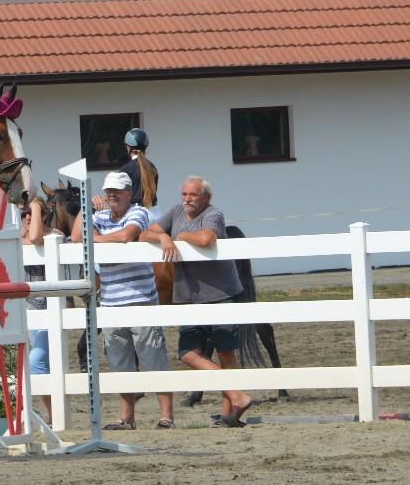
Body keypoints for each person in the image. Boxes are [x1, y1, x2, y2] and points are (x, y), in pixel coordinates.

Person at [142, 177, 253, 427]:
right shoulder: (175, 212)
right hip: (189, 297)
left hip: (220, 293)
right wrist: (164, 238)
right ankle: (237, 395)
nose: (187, 199)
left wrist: (180, 235)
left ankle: (230, 414)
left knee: (226, 353)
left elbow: (206, 239)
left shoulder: (214, 214)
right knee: (188, 354)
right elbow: (145, 233)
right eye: (184, 194)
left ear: (205, 197)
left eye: (192, 194)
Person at [71, 170, 174, 429]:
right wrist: (86, 206)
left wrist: (94, 240)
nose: (111, 195)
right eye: (109, 190)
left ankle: (166, 415)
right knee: (120, 362)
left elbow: (126, 236)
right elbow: (76, 237)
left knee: (153, 358)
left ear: (129, 193)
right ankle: (127, 417)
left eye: (117, 190)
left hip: (140, 299)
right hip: (111, 301)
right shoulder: (100, 216)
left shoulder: (138, 212)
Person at [21, 195, 53, 421]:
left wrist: (35, 204)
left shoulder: (53, 236)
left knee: (37, 363)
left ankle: (53, 414)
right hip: (24, 313)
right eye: (24, 213)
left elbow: (35, 238)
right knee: (32, 366)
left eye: (32, 213)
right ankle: (51, 415)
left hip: (46, 312)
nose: (27, 217)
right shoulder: (16, 240)